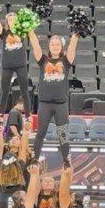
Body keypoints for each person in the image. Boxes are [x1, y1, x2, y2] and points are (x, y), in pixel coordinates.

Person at [27, 30, 78, 161]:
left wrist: (75, 34)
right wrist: (30, 30)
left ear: (61, 48)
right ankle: (35, 160)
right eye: (52, 44)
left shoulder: (66, 61)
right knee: (40, 133)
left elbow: (72, 47)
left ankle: (66, 161)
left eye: (57, 45)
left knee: (62, 134)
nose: (55, 47)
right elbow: (35, 45)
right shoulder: (43, 60)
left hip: (61, 104)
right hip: (45, 104)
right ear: (49, 47)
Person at [0, 9, 31, 119]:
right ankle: (0, 115)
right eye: (10, 19)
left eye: (14, 19)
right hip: (7, 66)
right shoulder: (4, 33)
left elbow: (30, 25)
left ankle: (28, 116)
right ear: (7, 22)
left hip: (21, 65)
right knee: (5, 92)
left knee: (25, 91)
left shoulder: (22, 32)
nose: (12, 21)